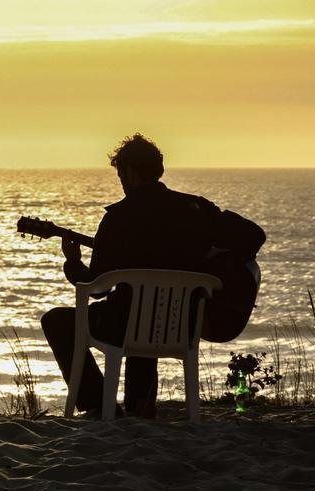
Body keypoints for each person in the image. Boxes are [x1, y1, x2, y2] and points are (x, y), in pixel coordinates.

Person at [40, 133, 264, 418]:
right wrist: (216, 260)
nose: (121, 181)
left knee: (61, 320)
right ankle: (140, 404)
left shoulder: (118, 218)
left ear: (131, 173)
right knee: (149, 311)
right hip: (183, 323)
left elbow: (96, 288)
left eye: (121, 174)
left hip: (126, 325)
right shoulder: (196, 209)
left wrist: (72, 262)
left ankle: (97, 404)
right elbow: (254, 236)